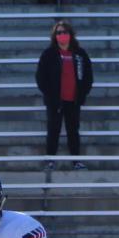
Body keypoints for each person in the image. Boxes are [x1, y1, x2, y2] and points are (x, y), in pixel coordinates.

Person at [35, 19, 94, 171]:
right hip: (55, 101)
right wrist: (50, 96)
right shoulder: (49, 54)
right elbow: (41, 77)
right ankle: (50, 161)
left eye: (64, 32)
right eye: (59, 33)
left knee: (73, 131)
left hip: (73, 101)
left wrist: (82, 95)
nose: (62, 35)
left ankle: (76, 161)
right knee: (53, 130)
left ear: (70, 34)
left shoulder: (80, 54)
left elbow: (88, 76)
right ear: (55, 36)